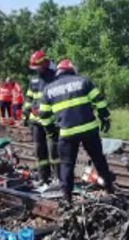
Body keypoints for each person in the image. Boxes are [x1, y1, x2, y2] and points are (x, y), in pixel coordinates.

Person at [39, 59, 116, 203]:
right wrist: (104, 118)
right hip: (89, 129)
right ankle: (109, 188)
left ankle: (67, 197)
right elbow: (99, 100)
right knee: (99, 159)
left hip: (67, 133)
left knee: (67, 164)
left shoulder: (49, 89)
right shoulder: (84, 81)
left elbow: (43, 115)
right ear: (72, 70)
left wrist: (51, 132)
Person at [23, 50, 60, 188]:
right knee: (40, 151)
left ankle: (58, 178)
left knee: (54, 151)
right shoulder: (34, 79)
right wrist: (25, 112)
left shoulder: (54, 78)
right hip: (36, 121)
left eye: (37, 66)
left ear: (44, 63)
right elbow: (29, 97)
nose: (36, 70)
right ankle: (44, 178)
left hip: (51, 120)